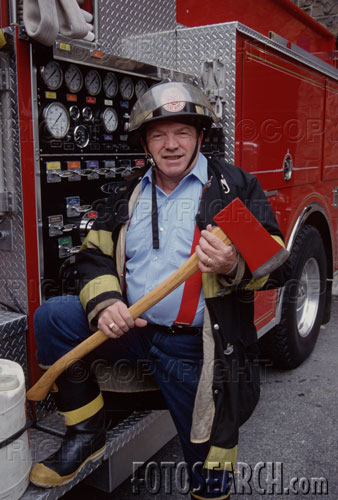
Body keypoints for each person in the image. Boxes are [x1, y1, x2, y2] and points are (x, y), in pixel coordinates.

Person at [29, 81, 289, 498]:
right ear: (145, 143)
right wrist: (107, 302)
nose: (171, 145)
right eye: (158, 134)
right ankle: (86, 433)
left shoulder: (229, 192)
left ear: (201, 137)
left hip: (193, 347)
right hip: (130, 328)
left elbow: (276, 265)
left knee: (210, 456)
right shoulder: (128, 191)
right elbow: (94, 254)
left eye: (182, 132)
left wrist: (232, 264)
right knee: (53, 318)